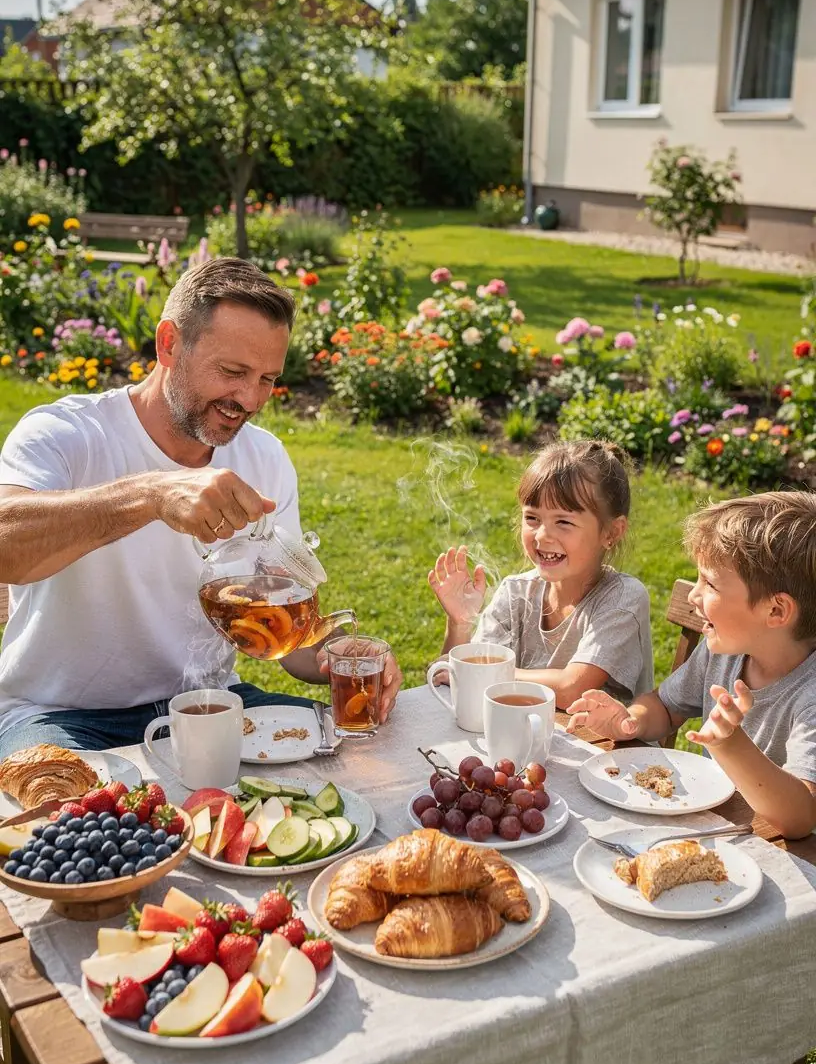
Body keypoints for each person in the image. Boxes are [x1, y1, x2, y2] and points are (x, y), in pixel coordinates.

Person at [0, 257, 402, 755]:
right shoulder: (67, 435)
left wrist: (337, 653)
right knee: (77, 821)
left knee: (354, 759)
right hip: (60, 717)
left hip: (210, 704)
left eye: (267, 379)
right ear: (169, 344)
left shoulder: (265, 457)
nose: (249, 399)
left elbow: (288, 633)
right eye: (232, 372)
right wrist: (152, 495)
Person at [564, 490, 816, 1064]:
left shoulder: (808, 692)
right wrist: (629, 715)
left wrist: (731, 744)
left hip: (778, 893)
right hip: (702, 861)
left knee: (707, 1031)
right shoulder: (722, 647)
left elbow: (798, 811)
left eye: (709, 583)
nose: (695, 595)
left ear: (777, 611)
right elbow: (666, 707)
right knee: (619, 969)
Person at [428, 440, 653, 710]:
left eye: (564, 522)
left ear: (611, 533)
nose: (543, 535)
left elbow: (572, 688)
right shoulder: (515, 592)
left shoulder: (622, 598)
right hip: (526, 740)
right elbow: (451, 679)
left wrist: (483, 673)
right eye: (532, 518)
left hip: (605, 749)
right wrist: (460, 624)